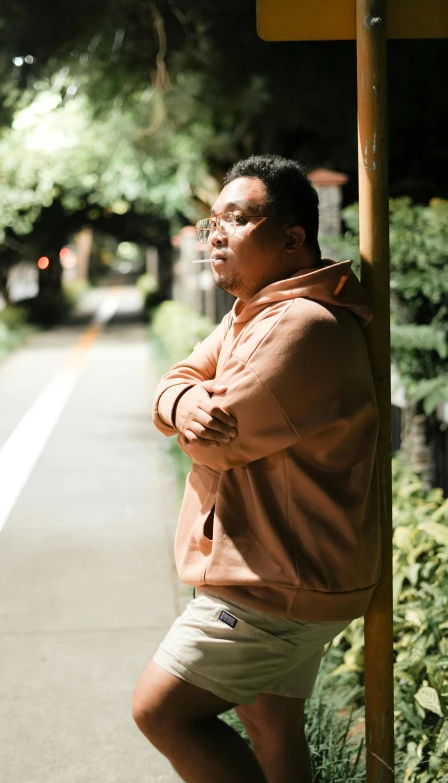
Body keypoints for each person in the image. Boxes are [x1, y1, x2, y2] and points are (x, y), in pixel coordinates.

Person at [133, 154, 380, 783]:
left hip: (275, 584)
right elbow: (177, 383)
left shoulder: (303, 325)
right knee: (273, 737)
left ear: (292, 236)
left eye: (236, 220)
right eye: (212, 221)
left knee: (162, 712)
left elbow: (218, 442)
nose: (215, 234)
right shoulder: (254, 313)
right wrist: (185, 400)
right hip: (278, 569)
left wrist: (188, 413)